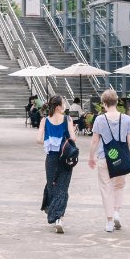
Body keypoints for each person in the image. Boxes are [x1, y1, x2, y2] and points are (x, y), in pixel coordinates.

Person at [88, 89, 130, 233]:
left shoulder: (99, 119)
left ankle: (109, 221)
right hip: (122, 158)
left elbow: (94, 140)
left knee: (106, 188)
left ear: (104, 103)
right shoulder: (126, 119)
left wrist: (91, 157)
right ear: (117, 101)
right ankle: (116, 212)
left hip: (105, 157)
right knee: (119, 186)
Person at [37, 95, 76, 234]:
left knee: (52, 185)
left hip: (51, 158)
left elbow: (39, 140)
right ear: (59, 106)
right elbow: (73, 138)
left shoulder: (44, 120)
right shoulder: (67, 119)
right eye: (63, 104)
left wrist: (50, 139)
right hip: (65, 158)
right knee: (63, 187)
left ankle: (55, 215)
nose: (65, 106)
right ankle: (58, 217)